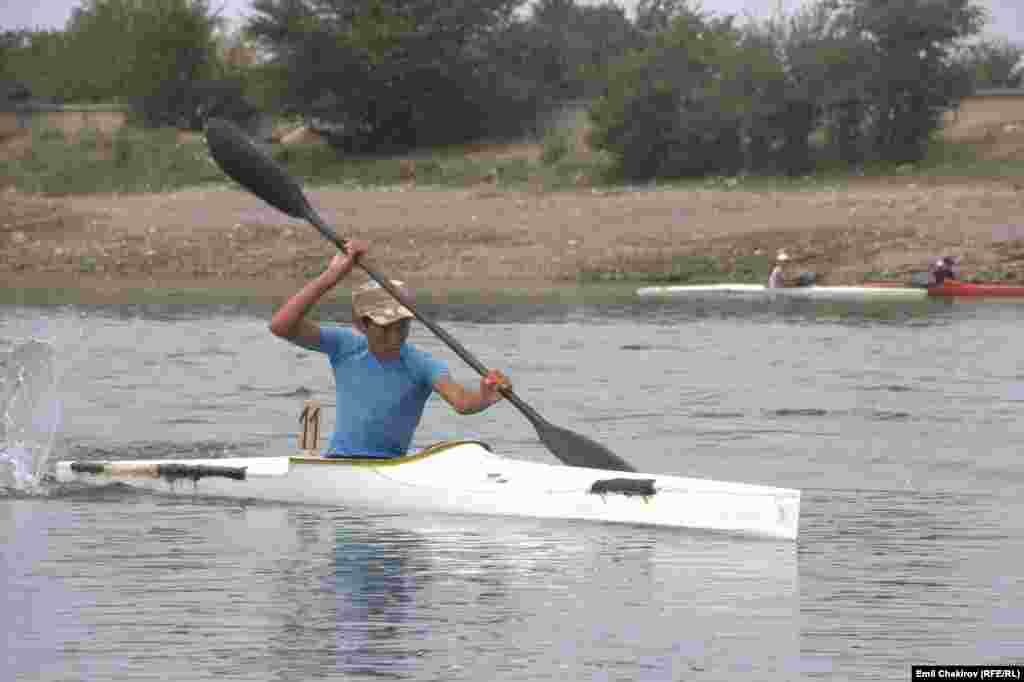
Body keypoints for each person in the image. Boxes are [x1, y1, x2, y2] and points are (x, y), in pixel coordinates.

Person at [269, 240, 510, 458]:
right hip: (340, 463)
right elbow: (281, 325)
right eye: (385, 328)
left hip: (391, 466)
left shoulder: (422, 364)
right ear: (362, 324)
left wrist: (484, 396)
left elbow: (462, 402)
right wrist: (332, 276)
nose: (395, 338)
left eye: (402, 326)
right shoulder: (345, 346)